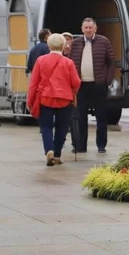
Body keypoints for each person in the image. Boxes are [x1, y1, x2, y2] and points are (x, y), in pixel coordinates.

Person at [27, 33, 81, 166]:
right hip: (64, 98)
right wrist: (73, 93)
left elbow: (33, 83)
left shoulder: (41, 60)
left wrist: (30, 100)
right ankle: (57, 154)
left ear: (49, 45)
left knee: (46, 126)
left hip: (45, 97)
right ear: (63, 46)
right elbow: (76, 82)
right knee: (62, 127)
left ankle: (49, 150)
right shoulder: (68, 62)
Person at [69, 17, 116, 154]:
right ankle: (80, 145)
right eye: (86, 28)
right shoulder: (76, 43)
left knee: (101, 116)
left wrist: (107, 80)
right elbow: (71, 63)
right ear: (82, 29)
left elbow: (111, 62)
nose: (88, 30)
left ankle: (101, 145)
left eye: (90, 27)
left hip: (99, 85)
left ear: (95, 28)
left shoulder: (104, 41)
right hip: (81, 85)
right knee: (80, 116)